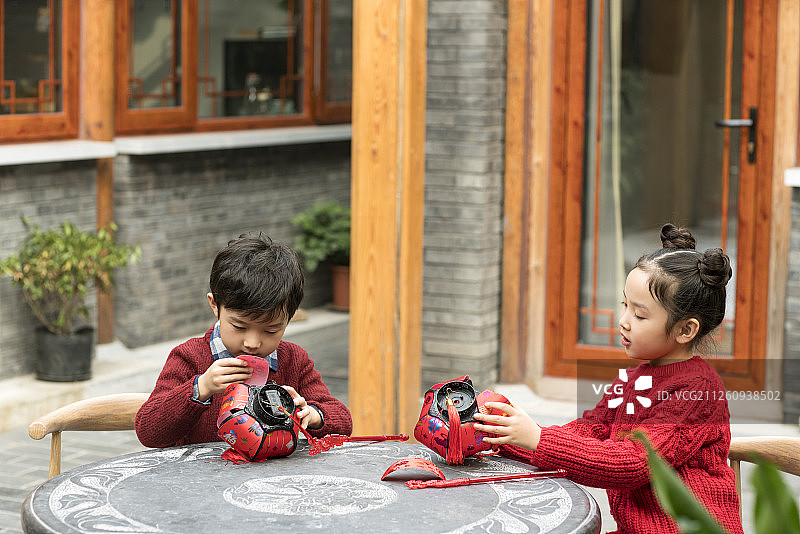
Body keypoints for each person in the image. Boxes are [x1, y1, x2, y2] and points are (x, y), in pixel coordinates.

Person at [473, 223, 743, 534]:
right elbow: (589, 432)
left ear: (685, 329)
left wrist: (537, 438)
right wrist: (501, 436)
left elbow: (634, 463)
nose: (624, 321)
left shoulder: (697, 390)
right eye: (625, 305)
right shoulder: (632, 381)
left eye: (640, 315)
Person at [136, 233, 352, 448]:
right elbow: (148, 431)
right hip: (203, 470)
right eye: (239, 327)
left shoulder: (294, 360)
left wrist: (313, 415)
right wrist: (201, 387)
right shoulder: (189, 357)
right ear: (215, 305)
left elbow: (343, 421)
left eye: (271, 330)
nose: (252, 343)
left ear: (290, 318)